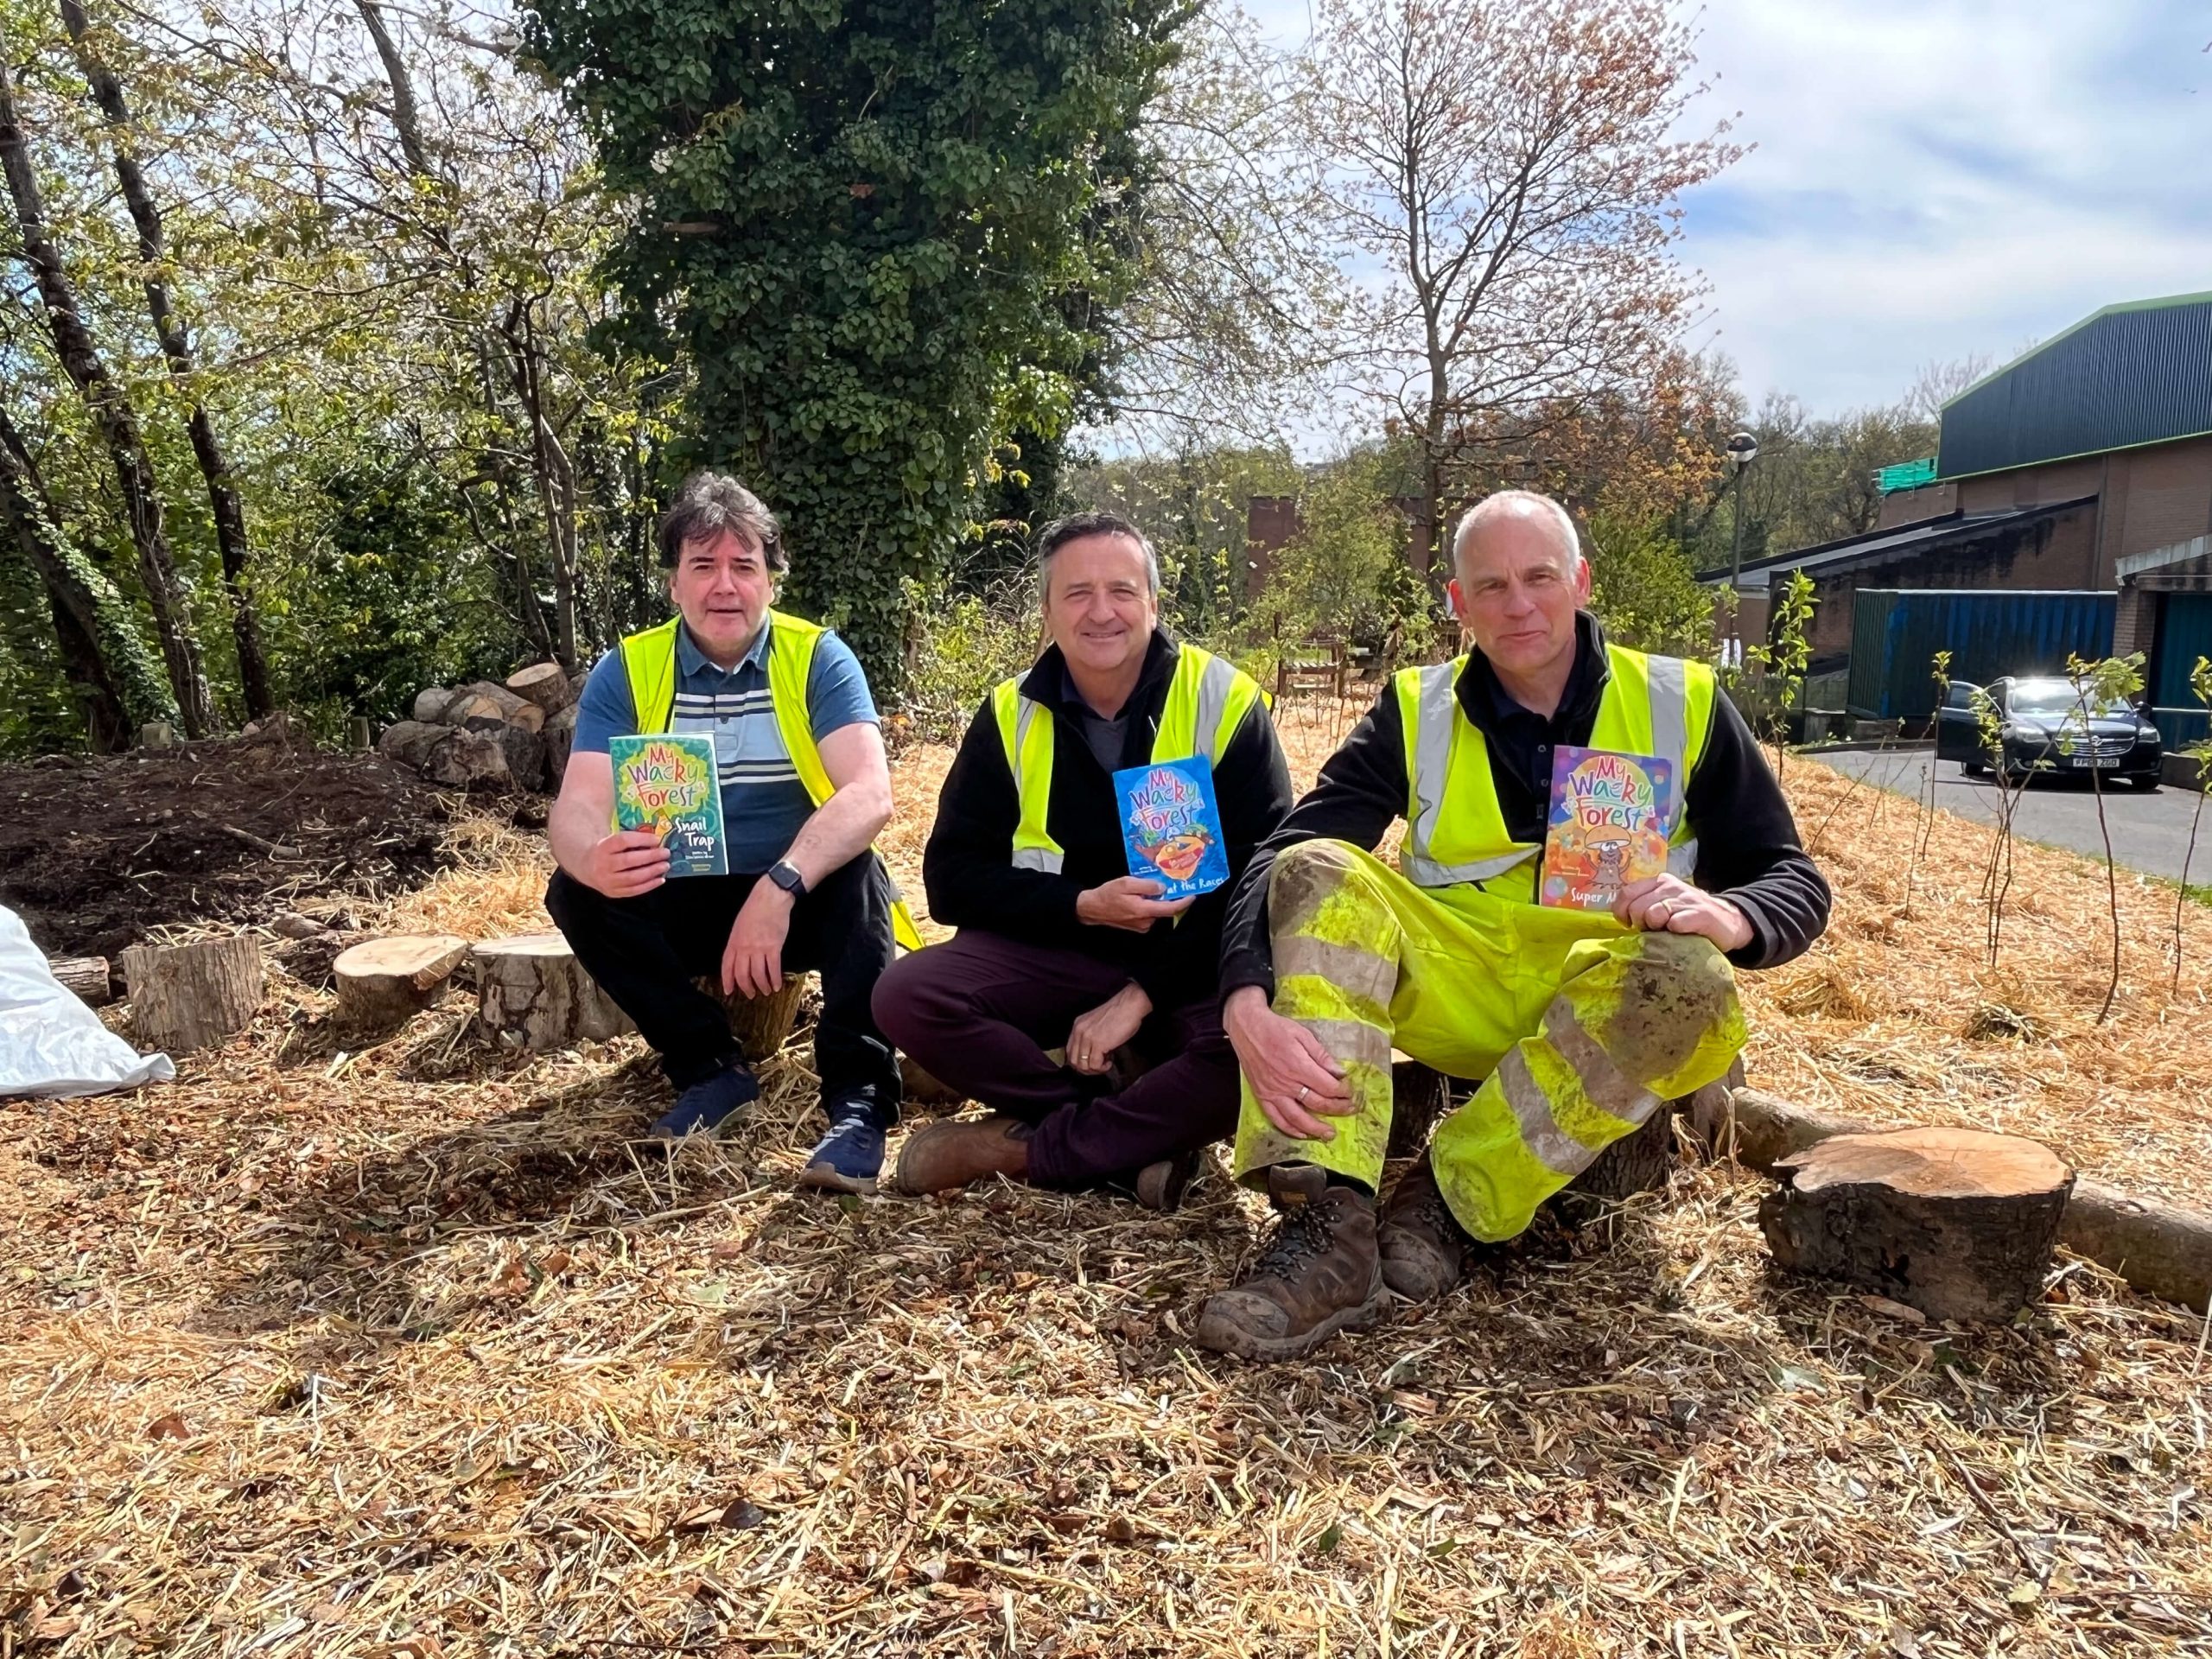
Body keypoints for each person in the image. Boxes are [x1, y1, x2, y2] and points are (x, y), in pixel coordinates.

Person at [1194, 490, 1832, 1360]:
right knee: (1317, 871)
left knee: (1693, 980)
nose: (1517, 604)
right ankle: (1328, 1226)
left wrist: (1730, 913)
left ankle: (1452, 1201)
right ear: (1457, 604)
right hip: (1454, 988)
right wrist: (1241, 996)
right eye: (1489, 586)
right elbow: (1285, 850)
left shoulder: (1681, 699)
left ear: (1580, 580)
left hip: (1596, 1009)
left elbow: (1790, 877)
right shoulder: (1415, 708)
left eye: (1538, 577)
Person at [874, 512, 1294, 1209]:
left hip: (1195, 963)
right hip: (1060, 953)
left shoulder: (1227, 700)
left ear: (1154, 604)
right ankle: (1122, 1132)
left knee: (1249, 1060)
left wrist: (1139, 997)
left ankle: (1024, 1148)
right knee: (905, 996)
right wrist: (1080, 904)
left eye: (1122, 591)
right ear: (1046, 612)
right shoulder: (1008, 714)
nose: (1101, 612)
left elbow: (1262, 880)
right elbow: (950, 880)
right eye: (1077, 594)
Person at [545, 471, 916, 1192]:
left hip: (794, 895)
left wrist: (779, 887)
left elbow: (870, 793)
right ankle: (710, 1071)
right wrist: (594, 856)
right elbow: (576, 805)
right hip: (681, 897)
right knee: (574, 891)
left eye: (744, 566)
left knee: (861, 875)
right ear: (674, 584)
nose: (724, 586)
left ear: (771, 580)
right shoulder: (628, 669)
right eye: (703, 566)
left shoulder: (818, 658)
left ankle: (859, 1101)